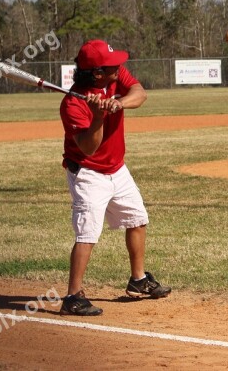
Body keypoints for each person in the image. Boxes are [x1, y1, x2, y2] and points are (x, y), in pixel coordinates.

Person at [59, 39, 170, 316]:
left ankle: (138, 280)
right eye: (112, 65)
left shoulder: (115, 75)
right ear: (97, 73)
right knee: (87, 234)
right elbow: (87, 147)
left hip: (116, 168)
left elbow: (140, 93)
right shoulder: (72, 104)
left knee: (137, 219)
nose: (119, 67)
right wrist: (97, 117)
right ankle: (72, 297)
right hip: (88, 173)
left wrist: (117, 104)